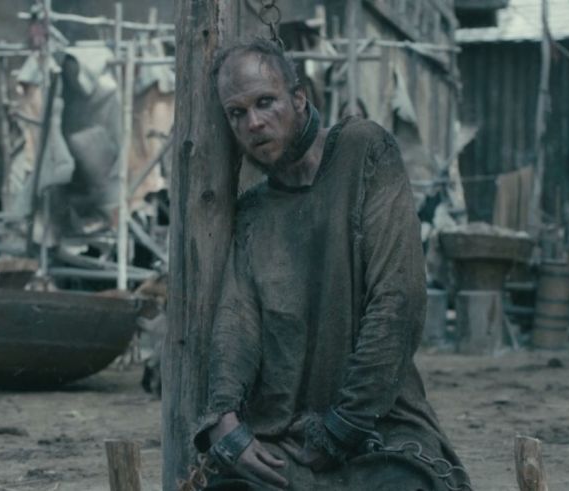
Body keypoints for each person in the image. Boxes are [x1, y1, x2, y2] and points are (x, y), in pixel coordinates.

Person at [192, 38, 471, 491]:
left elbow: (398, 300)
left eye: (266, 102)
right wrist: (223, 420)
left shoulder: (364, 151)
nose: (255, 122)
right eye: (237, 113)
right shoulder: (254, 211)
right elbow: (236, 320)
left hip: (379, 425)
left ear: (298, 99)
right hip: (285, 436)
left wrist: (344, 425)